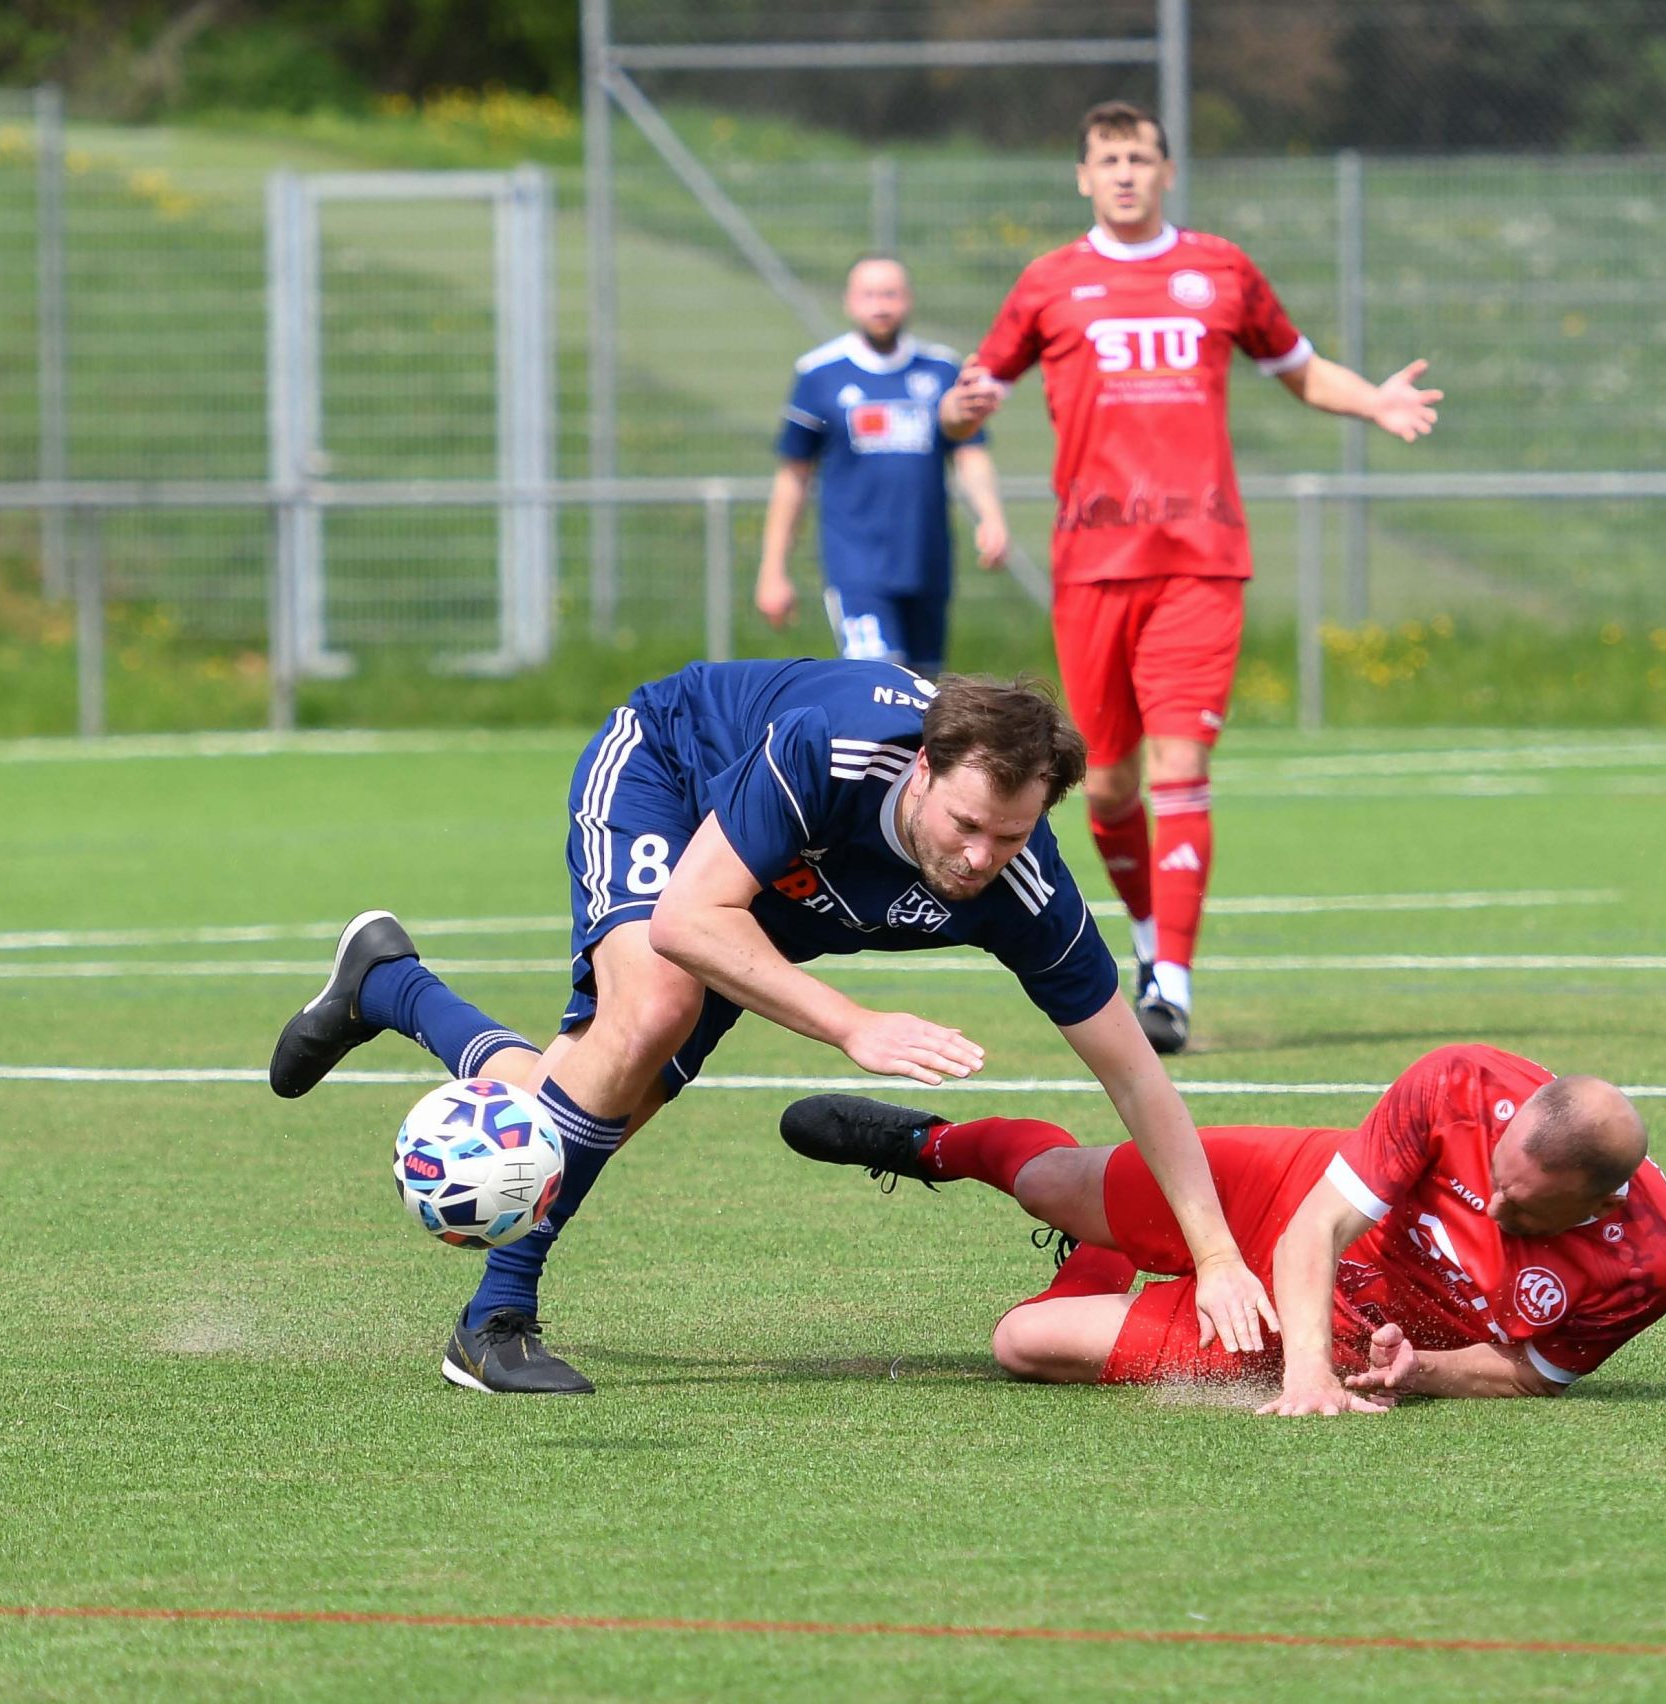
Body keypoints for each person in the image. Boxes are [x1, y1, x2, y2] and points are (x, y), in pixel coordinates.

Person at [267, 662, 1275, 1395]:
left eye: (1009, 834)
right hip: (670, 774)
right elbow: (686, 920)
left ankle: (391, 986)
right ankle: (492, 1322)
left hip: (769, 894)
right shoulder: (831, 750)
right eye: (965, 825)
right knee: (652, 1011)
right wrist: (851, 1025)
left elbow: (1134, 1076)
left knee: (585, 1109)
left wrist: (1219, 1256)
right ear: (923, 770)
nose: (980, 856)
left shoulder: (1024, 888)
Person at [942, 100, 1445, 1053]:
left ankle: (1170, 984)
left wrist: (1372, 401)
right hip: (1093, 564)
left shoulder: (1220, 270)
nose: (1126, 173)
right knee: (1106, 786)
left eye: (1140, 157)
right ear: (1083, 178)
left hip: (1200, 561)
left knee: (1180, 766)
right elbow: (969, 405)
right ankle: (1148, 939)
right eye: (1108, 160)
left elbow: (1300, 368)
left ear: (1167, 172)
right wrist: (960, 409)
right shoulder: (1049, 281)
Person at [779, 1043, 1666, 1414]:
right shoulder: (1462, 1083)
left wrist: (1420, 1370)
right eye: (1494, 1177)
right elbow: (1315, 1228)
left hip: (1328, 1327)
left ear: (1599, 1202)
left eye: (1522, 1210)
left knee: (1023, 1343)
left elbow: (1531, 1372)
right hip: (1289, 1196)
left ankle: (1098, 1259)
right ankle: (933, 1145)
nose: (1492, 1206)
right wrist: (1308, 1382)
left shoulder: (1644, 1267)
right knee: (1052, 1182)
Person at [757, 256, 1010, 676]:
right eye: (869, 295)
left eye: (890, 294)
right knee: (878, 681)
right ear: (849, 301)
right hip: (857, 566)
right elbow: (793, 476)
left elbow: (970, 452)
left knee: (926, 694)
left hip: (926, 563)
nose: (880, 305)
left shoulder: (940, 369)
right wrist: (773, 569)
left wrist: (992, 517)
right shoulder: (819, 374)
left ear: (908, 300)